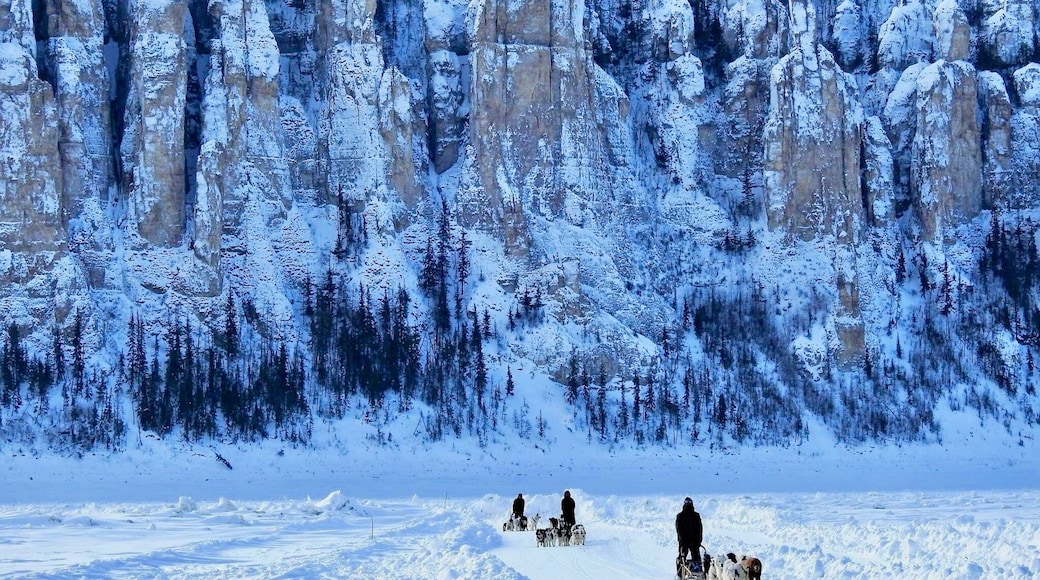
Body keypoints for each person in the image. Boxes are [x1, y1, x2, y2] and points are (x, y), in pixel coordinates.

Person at [675, 497, 703, 564]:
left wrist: (698, 541)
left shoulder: (681, 516)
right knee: (693, 558)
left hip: (688, 541)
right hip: (690, 541)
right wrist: (698, 540)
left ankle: (682, 567)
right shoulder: (695, 516)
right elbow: (699, 529)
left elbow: (679, 530)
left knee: (683, 558)